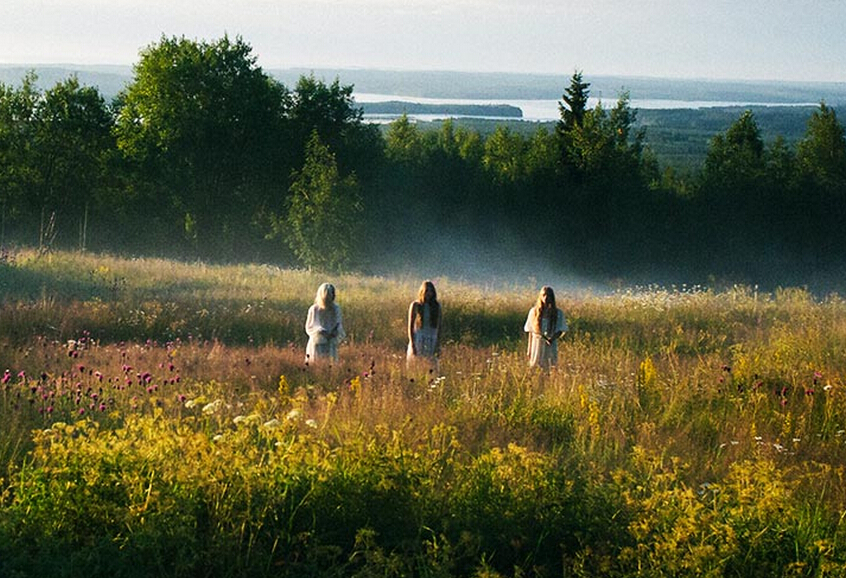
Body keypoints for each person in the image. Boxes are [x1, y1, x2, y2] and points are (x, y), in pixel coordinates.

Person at [524, 286, 567, 368]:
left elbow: (560, 330)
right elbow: (530, 331)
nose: (546, 297)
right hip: (537, 344)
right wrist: (529, 349)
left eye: (548, 295)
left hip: (550, 344)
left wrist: (552, 338)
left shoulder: (558, 313)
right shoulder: (534, 312)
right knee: (536, 366)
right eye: (544, 295)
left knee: (550, 366)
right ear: (540, 296)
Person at [305, 282, 346, 363]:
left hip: (331, 342)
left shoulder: (336, 309)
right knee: (317, 364)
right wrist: (321, 331)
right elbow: (309, 327)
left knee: (331, 364)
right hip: (317, 343)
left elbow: (338, 323)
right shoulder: (314, 309)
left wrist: (335, 331)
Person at [407, 280, 440, 367]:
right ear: (422, 292)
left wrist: (438, 344)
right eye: (427, 291)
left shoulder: (436, 306)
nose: (429, 293)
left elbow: (439, 326)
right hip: (419, 338)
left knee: (432, 364)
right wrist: (413, 344)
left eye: (431, 291)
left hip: (432, 337)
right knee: (417, 363)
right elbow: (410, 326)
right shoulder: (416, 305)